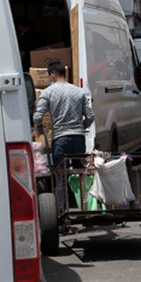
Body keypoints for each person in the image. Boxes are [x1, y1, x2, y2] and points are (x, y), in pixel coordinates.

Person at [33, 61, 94, 210]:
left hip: (61, 139)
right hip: (79, 139)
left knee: (60, 177)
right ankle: (86, 208)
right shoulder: (79, 92)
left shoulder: (48, 92)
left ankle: (61, 214)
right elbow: (90, 116)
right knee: (80, 173)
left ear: (52, 75)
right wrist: (81, 128)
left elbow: (37, 117)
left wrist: (40, 128)